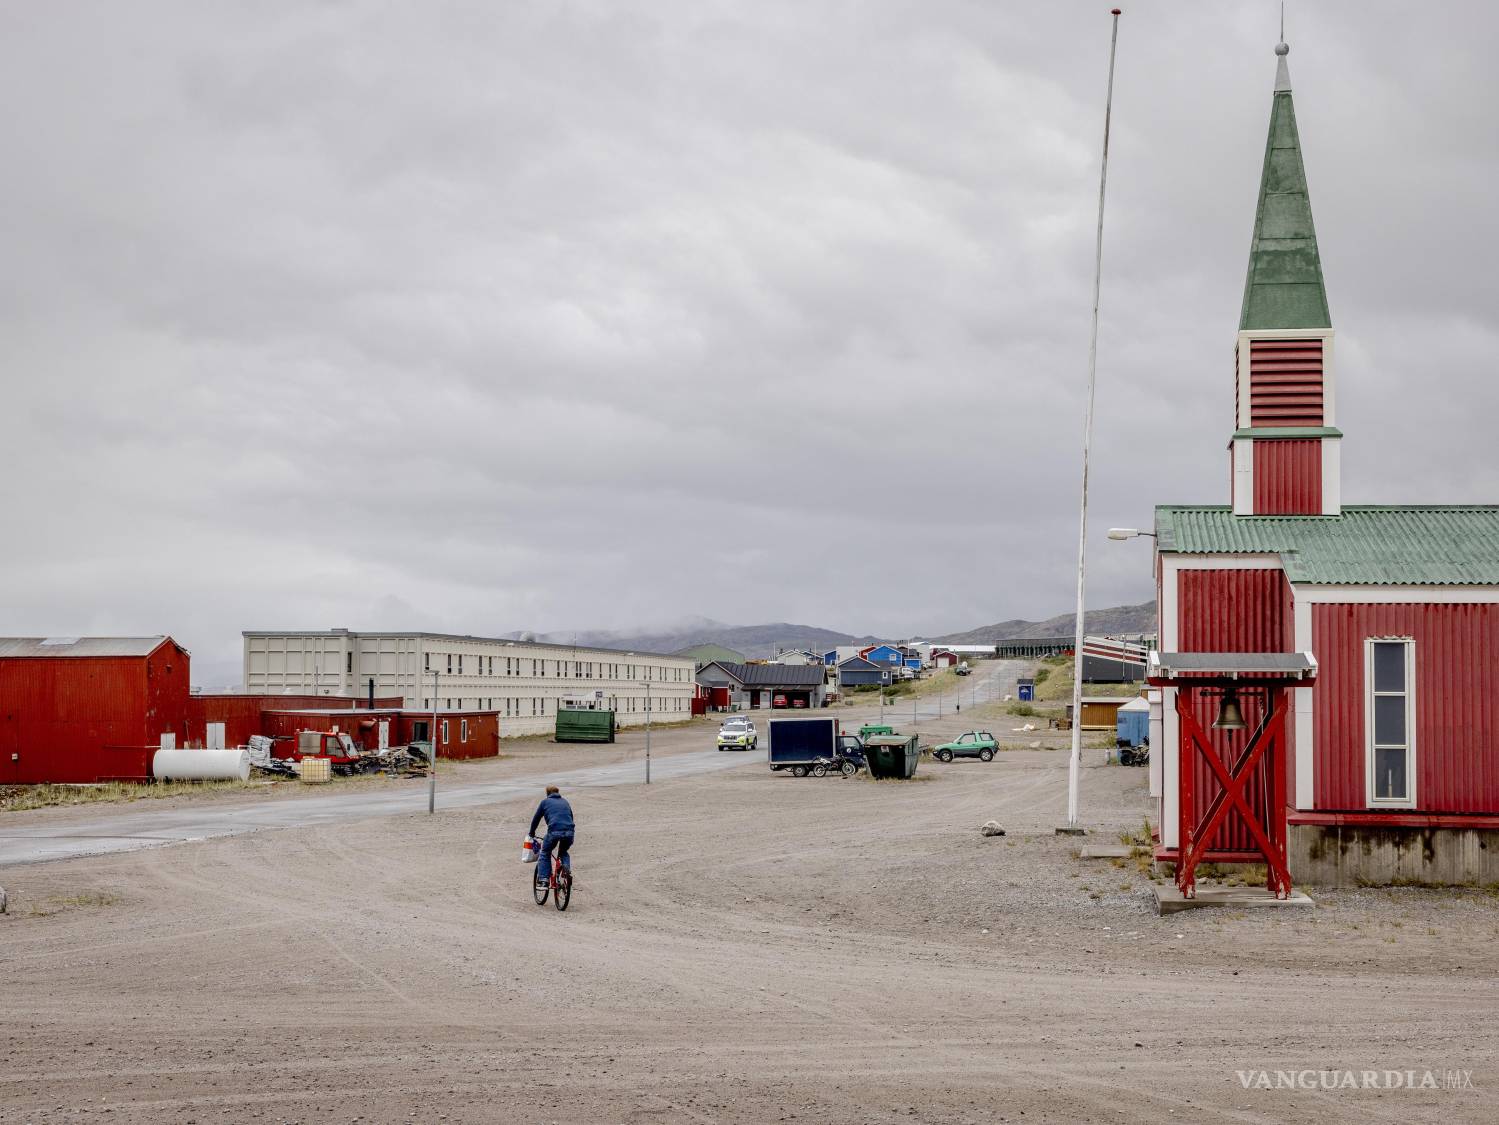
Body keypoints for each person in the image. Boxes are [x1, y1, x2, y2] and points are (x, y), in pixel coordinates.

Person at [528, 785, 575, 887]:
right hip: (570, 831)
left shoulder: (545, 802)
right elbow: (571, 817)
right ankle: (566, 869)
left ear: (547, 793)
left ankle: (544, 879)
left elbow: (536, 819)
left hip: (554, 832)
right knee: (563, 851)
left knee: (545, 852)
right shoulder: (565, 801)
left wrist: (531, 833)